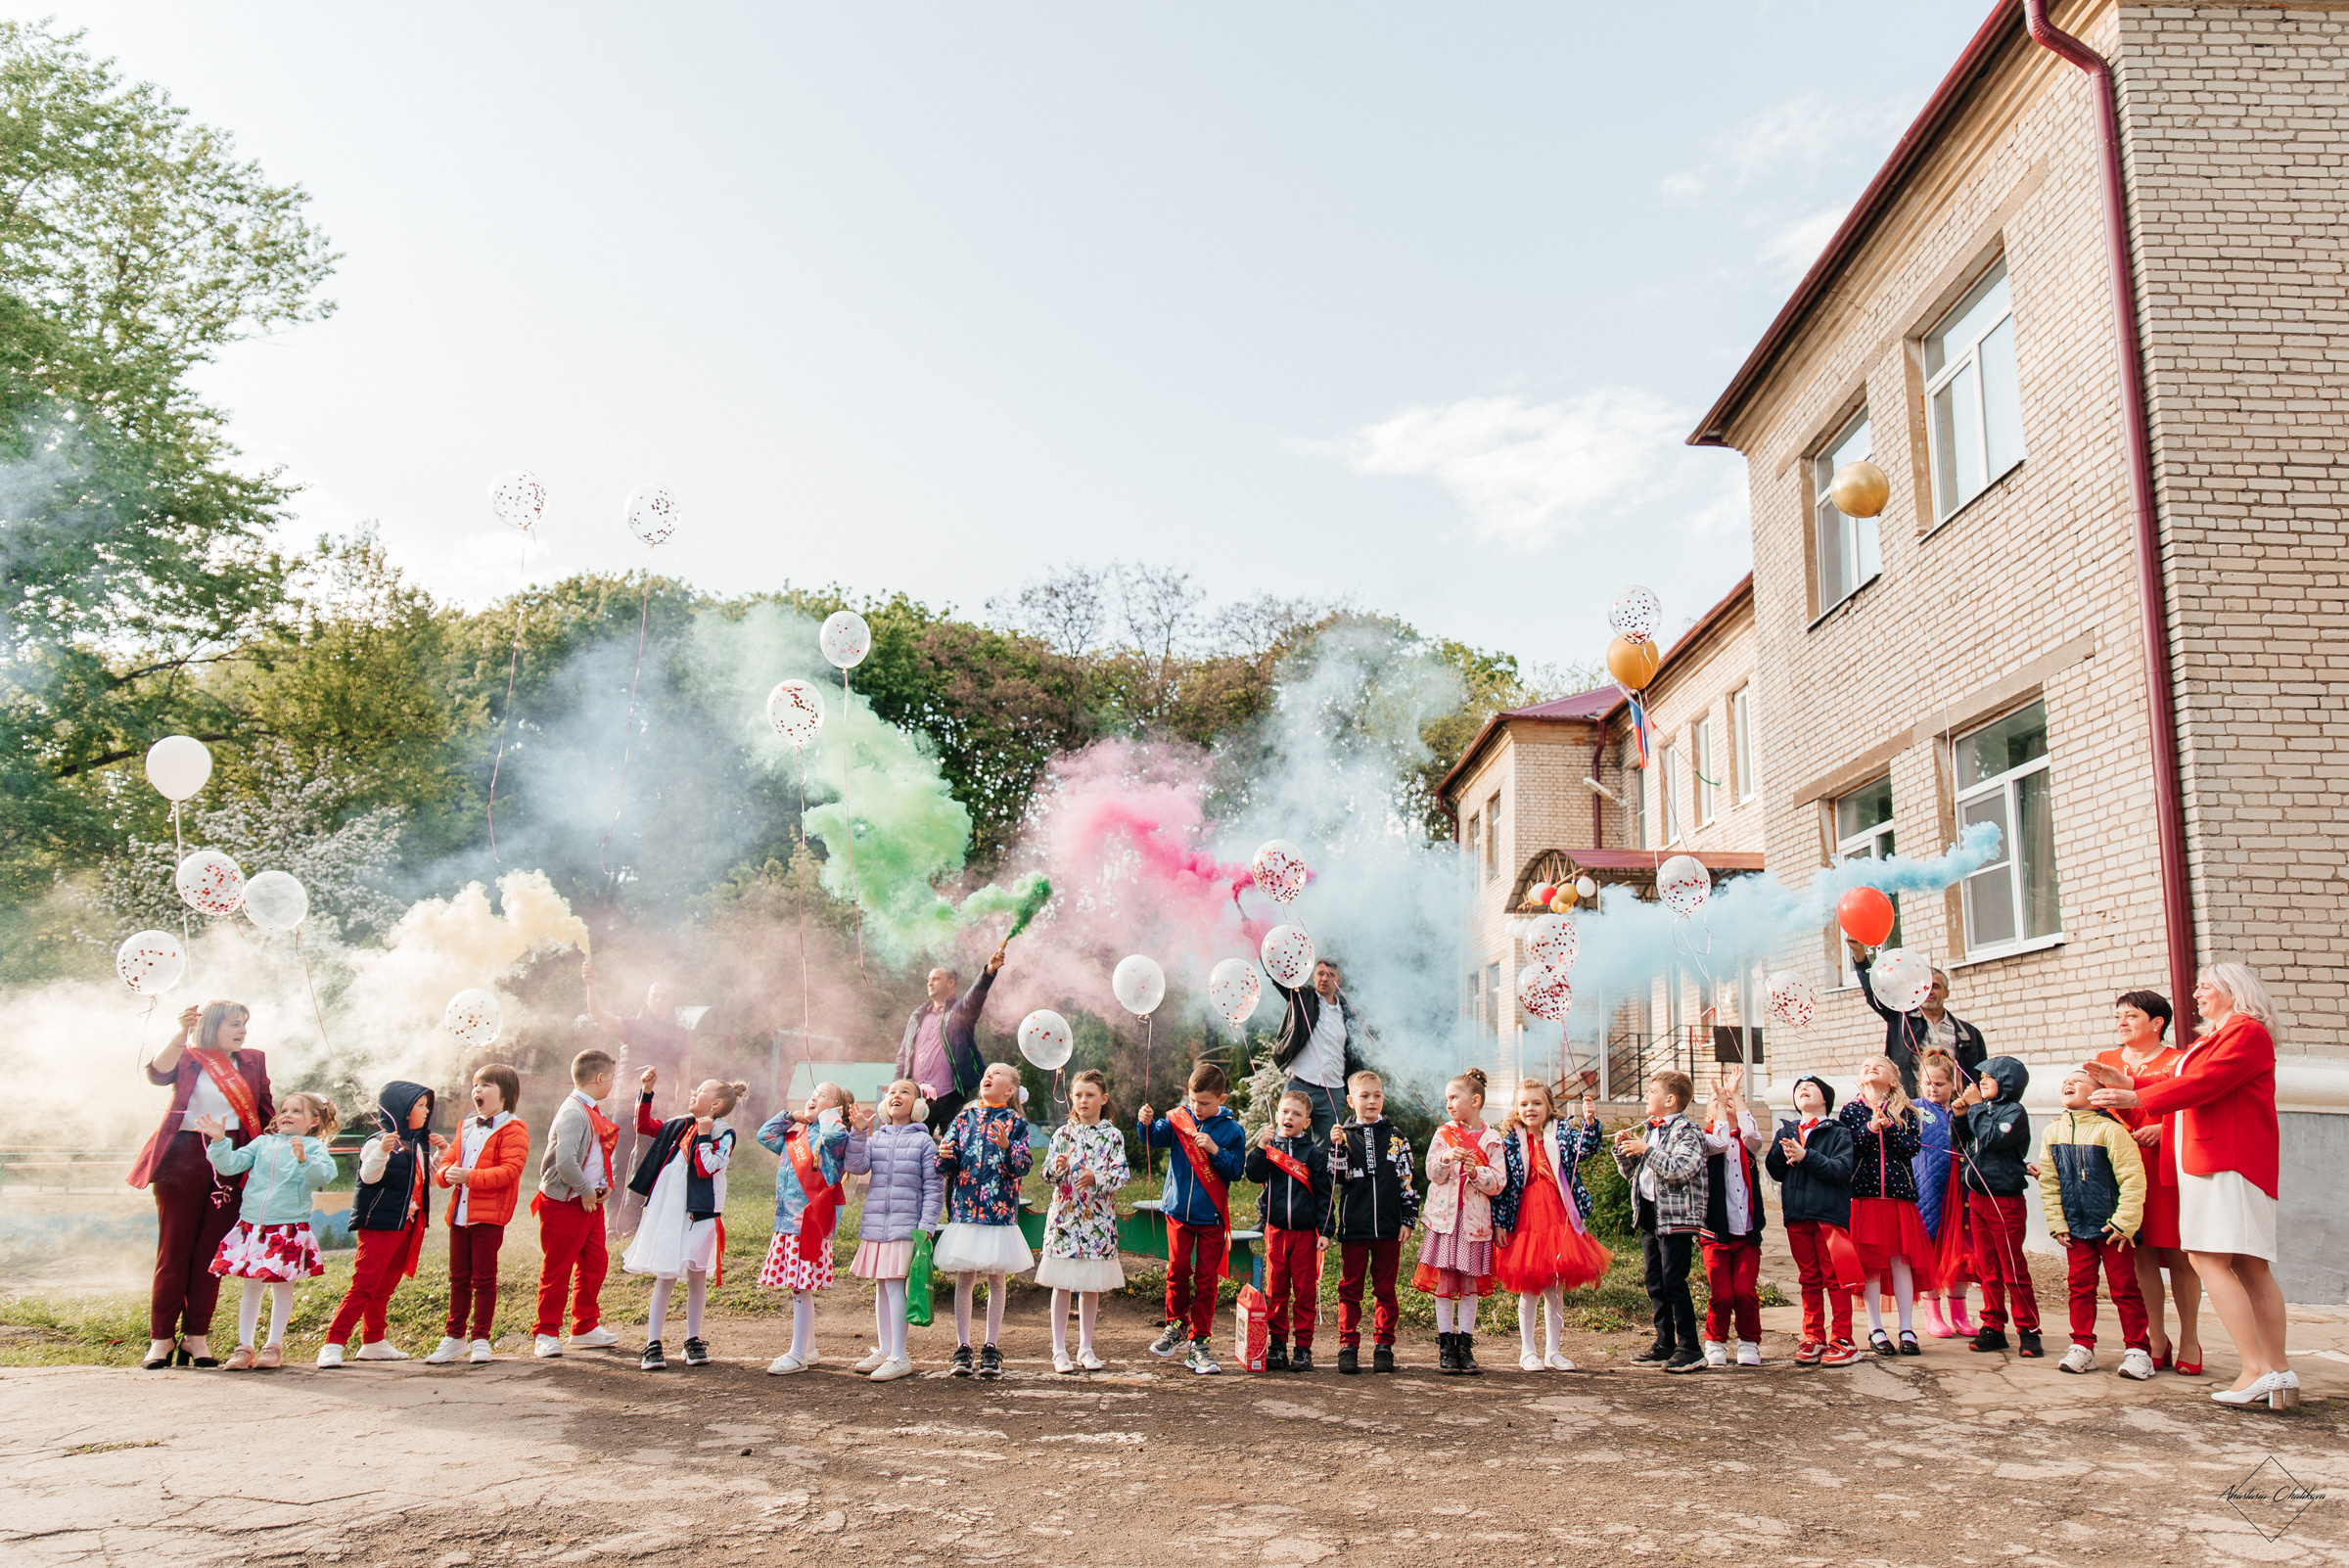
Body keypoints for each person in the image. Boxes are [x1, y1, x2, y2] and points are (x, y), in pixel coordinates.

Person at [2089, 962, 2296, 1410]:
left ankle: (2257, 1370)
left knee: (2208, 1259)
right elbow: (2182, 1079)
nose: (2197, 995)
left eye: (2206, 987)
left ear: (2233, 991)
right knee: (2248, 1265)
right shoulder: (2222, 1035)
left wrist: (2135, 1096)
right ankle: (2277, 1371)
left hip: (2225, 1162)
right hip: (2224, 1161)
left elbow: (2205, 1083)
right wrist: (2133, 1083)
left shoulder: (2244, 1030)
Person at [132, 999, 275, 1369]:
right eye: (234, 1024)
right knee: (174, 1249)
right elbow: (157, 1074)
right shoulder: (189, 1055)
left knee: (210, 1255)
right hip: (182, 1156)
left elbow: (264, 1112)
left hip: (229, 1159)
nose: (242, 1030)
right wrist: (181, 1032)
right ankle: (161, 1338)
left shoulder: (253, 1060)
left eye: (245, 1023)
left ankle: (197, 1337)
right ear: (212, 1026)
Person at [2093, 990, 2201, 1374]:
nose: (2121, 1023)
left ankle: (2190, 1339)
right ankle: (2156, 1336)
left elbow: (2194, 1106)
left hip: (2164, 1167)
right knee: (2138, 1252)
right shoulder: (2104, 1062)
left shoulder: (2178, 1061)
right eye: (2118, 1016)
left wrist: (2163, 1127)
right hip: (2120, 1170)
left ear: (2157, 1023)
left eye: (2131, 1016)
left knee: (2178, 1254)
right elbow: (2090, 1111)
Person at [199, 1091, 338, 1370]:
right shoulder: (262, 1143)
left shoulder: (313, 1147)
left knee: (282, 1287)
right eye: (284, 1110)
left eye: (297, 1111)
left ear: (313, 1122)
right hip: (253, 1226)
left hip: (287, 1227)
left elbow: (322, 1177)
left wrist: (303, 1159)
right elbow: (231, 1165)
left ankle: (273, 1347)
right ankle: (244, 1347)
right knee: (251, 1286)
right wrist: (218, 1141)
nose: (287, 1115)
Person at [621, 1069, 745, 1372]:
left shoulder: (722, 1134)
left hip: (699, 1211)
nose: (693, 1092)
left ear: (715, 1104)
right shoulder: (679, 1125)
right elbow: (644, 1125)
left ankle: (693, 1339)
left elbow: (706, 1168)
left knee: (697, 1274)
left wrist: (703, 1135)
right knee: (665, 1273)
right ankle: (653, 1344)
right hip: (668, 1209)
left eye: (701, 1090)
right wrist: (646, 1092)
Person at [2039, 1067, 2154, 1379]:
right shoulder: (2052, 1132)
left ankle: (2138, 1351)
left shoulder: (2111, 1131)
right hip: (2075, 1228)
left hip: (2112, 1230)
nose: (2068, 1083)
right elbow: (2049, 1181)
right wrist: (2057, 1222)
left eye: (2077, 1081)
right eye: (2065, 1080)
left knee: (2125, 1289)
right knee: (2079, 1289)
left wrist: (2124, 1221)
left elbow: (2132, 1178)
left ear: (2098, 1094)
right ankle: (2081, 1346)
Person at [320, 1082, 444, 1367]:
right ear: (401, 1109)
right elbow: (369, 1176)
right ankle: (333, 1343)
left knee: (385, 1285)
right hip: (381, 1224)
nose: (427, 1112)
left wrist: (441, 1152)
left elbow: (425, 1181)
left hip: (408, 1225)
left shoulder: (417, 1143)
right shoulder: (377, 1141)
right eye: (420, 1106)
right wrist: (382, 1152)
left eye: (427, 1105)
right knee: (364, 1284)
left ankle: (373, 1340)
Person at [1493, 1078, 1613, 1373]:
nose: (1530, 1108)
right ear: (1516, 1107)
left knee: (1555, 1287)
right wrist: (1500, 1223)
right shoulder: (1509, 1139)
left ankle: (1553, 1351)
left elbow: (1587, 1147)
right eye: (1524, 1104)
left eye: (1536, 1103)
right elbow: (1503, 1184)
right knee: (1530, 1287)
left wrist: (1591, 1121)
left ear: (1549, 1106)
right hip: (1526, 1219)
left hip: (1559, 1216)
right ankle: (1527, 1350)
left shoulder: (1561, 1133)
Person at [1138, 1060, 1246, 1375]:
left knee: (1207, 1280)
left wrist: (1215, 1150)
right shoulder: (1179, 1119)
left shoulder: (1232, 1130)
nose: (1197, 1108)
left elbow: (1236, 1171)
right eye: (1193, 1100)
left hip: (1211, 1217)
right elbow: (1152, 1138)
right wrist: (1144, 1123)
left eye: (1205, 1103)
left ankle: (1199, 1343)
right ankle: (1176, 1327)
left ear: (1221, 1099)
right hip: (1177, 1214)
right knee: (1177, 1270)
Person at [935, 1061, 1036, 1380]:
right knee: (965, 1276)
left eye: (997, 1074)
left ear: (1009, 1091)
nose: (988, 1076)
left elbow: (1022, 1165)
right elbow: (943, 1164)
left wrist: (1007, 1146)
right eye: (986, 1073)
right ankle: (962, 1347)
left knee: (996, 1278)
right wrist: (944, 1154)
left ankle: (991, 1346)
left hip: (999, 1214)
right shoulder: (964, 1118)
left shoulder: (1017, 1123)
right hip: (965, 1210)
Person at [427, 1063, 529, 1365]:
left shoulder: (513, 1128)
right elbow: (448, 1162)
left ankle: (481, 1339)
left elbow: (510, 1171)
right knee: (458, 1277)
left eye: (486, 1085)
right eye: (476, 1085)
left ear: (505, 1094)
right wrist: (445, 1174)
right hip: (460, 1217)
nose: (477, 1091)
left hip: (488, 1217)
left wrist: (469, 1176)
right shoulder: (467, 1125)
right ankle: (454, 1336)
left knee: (484, 1279)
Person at [757, 1081, 861, 1375]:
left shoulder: (836, 1134)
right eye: (813, 1096)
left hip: (811, 1222)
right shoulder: (796, 1134)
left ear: (838, 1109)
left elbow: (833, 1135)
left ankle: (798, 1353)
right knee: (797, 1287)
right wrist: (790, 1116)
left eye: (823, 1096)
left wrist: (830, 1116)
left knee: (800, 1287)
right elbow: (764, 1135)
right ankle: (809, 1349)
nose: (813, 1099)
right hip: (786, 1222)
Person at [846, 1079, 945, 1382]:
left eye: (905, 1092)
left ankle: (899, 1356)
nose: (896, 1096)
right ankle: (886, 1349)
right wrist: (859, 1132)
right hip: (877, 1224)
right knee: (881, 1286)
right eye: (892, 1092)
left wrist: (926, 1226)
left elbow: (933, 1187)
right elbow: (857, 1166)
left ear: (918, 1105)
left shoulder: (924, 1142)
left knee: (893, 1286)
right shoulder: (876, 1138)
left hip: (906, 1226)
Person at [581, 958, 689, 1234]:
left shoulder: (681, 1036)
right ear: (648, 999)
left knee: (648, 1162)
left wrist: (680, 1114)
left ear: (672, 1001)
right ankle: (613, 1223)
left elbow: (684, 1077)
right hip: (626, 1103)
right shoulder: (631, 1025)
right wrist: (591, 985)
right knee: (618, 1162)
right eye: (655, 995)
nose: (660, 1000)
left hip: (659, 1107)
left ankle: (632, 1222)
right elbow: (600, 1017)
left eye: (665, 996)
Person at [1839, 1053, 1936, 1356]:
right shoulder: (1851, 1111)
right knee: (1869, 1265)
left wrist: (1889, 1126)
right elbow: (1849, 1147)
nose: (1870, 1067)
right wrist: (1870, 1128)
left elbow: (1911, 1148)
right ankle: (1875, 1327)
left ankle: (1907, 1328)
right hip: (1864, 1197)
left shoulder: (1905, 1111)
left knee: (1901, 1261)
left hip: (1898, 1199)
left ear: (1893, 1080)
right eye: (1865, 1064)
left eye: (1878, 1065)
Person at [1324, 1070, 1418, 1375]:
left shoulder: (1396, 1137)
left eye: (1377, 1095)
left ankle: (1384, 1345)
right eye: (1364, 1096)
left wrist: (1408, 1218)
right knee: (1350, 1288)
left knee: (1385, 1289)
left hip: (1389, 1227)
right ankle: (1348, 1345)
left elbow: (1407, 1179)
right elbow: (1337, 1178)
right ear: (1351, 1101)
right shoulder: (1345, 1136)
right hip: (1355, 1227)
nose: (1371, 1101)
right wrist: (1335, 1148)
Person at [1614, 1069, 1708, 1373]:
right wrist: (1624, 1150)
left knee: (1673, 1282)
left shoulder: (1688, 1132)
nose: (1645, 1097)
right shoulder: (1650, 1130)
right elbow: (1635, 1174)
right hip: (1651, 1216)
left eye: (1651, 1092)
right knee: (1654, 1281)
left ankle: (1690, 1348)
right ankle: (1664, 1342)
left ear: (1669, 1100)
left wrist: (1647, 1150)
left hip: (1676, 1219)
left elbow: (1680, 1169)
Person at [1037, 1069, 1131, 1374]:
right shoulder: (1062, 1134)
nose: (1083, 1100)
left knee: (1090, 1286)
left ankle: (1086, 1347)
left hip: (1097, 1222)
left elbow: (1122, 1174)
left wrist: (1097, 1177)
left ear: (1103, 1099)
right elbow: (1046, 1174)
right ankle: (1059, 1349)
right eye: (1078, 1095)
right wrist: (1058, 1167)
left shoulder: (1112, 1135)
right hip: (1065, 1222)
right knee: (1062, 1284)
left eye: (1090, 1095)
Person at [532, 1049, 623, 1359]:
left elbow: (595, 1154)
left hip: (589, 1202)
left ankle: (584, 1326)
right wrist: (586, 1191)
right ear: (599, 1078)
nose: (612, 1083)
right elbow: (565, 1162)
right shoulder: (573, 1111)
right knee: (557, 1269)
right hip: (565, 1203)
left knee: (594, 1263)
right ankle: (545, 1332)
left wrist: (602, 1187)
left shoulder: (591, 1108)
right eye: (611, 1078)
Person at [1766, 1075, 1862, 1367]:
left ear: (1826, 1099)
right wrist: (1783, 1156)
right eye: (1798, 1089)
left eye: (1811, 1087)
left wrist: (1806, 1156)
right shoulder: (1787, 1130)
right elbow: (1775, 1170)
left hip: (1828, 1215)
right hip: (1797, 1215)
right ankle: (1813, 1336)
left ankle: (1843, 1338)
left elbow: (1841, 1170)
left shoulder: (1838, 1132)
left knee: (1836, 1278)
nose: (1803, 1090)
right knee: (1808, 1278)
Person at [1415, 1068, 1506, 1375]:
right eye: (1446, 1099)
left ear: (1476, 1100)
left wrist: (1475, 1173)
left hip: (1474, 1226)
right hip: (1445, 1224)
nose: (1449, 1104)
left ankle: (1465, 1346)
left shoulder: (1492, 1139)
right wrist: (1443, 1159)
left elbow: (1498, 1182)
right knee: (1444, 1284)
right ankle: (1445, 1345)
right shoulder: (1444, 1134)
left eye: (1454, 1097)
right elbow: (1431, 1173)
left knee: (1468, 1286)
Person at [1957, 1056, 2041, 1358]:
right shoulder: (1984, 1110)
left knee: (2012, 1268)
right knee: (1987, 1269)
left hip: (2003, 1199)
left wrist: (1976, 1107)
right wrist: (1959, 1115)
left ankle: (2028, 1329)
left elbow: (1990, 1137)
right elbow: (1965, 1139)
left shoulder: (2014, 1112)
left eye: (1988, 1078)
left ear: (2006, 1083)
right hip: (1978, 1197)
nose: (1980, 1082)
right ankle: (1992, 1325)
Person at [1244, 1088, 1331, 1373]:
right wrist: (1260, 1147)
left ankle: (1303, 1348)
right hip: (1276, 1231)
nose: (1289, 1117)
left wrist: (1326, 1231)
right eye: (1284, 1112)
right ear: (1278, 1114)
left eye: (1296, 1114)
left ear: (1307, 1121)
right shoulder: (1271, 1150)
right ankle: (1278, 1345)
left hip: (1306, 1234)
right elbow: (1253, 1174)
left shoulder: (1314, 1154)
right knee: (1276, 1289)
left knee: (1305, 1291)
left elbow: (1324, 1195)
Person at [1848, 939, 1987, 1096]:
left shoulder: (1968, 1034)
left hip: (1954, 1111)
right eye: (1925, 986)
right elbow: (1874, 991)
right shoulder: (1900, 1019)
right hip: (1911, 1108)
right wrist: (1859, 954)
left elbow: (1980, 1077)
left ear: (1946, 992)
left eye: (1935, 986)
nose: (1929, 991)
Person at [1696, 1065, 1768, 1369]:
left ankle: (1749, 1342)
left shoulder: (1746, 1143)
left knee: (1745, 1292)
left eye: (1729, 1104)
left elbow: (1753, 1134)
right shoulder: (1707, 1141)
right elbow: (1721, 1138)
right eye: (1716, 1103)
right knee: (1722, 1293)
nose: (1723, 1103)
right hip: (1715, 1235)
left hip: (1747, 1234)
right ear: (1708, 1118)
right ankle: (1715, 1341)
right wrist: (1722, 1108)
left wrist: (1735, 1094)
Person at [895, 945, 1006, 1133]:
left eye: (936, 979)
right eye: (929, 980)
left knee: (956, 1150)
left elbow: (975, 996)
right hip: (918, 1099)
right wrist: (896, 1090)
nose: (930, 983)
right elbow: (903, 1058)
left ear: (950, 983)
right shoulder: (916, 1017)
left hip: (953, 1097)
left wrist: (988, 972)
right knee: (912, 1149)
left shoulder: (959, 1012)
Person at [1267, 956, 1368, 1143]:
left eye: (1330, 975)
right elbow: (1278, 977)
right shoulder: (1303, 997)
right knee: (1283, 1141)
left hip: (1334, 1090)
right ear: (1313, 976)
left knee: (1328, 1151)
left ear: (1338, 980)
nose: (1324, 978)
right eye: (1320, 973)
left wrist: (1358, 1088)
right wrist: (1258, 943)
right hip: (1299, 1084)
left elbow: (1355, 1054)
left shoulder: (1349, 1013)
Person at [1911, 1053, 1976, 1339]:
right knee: (1934, 1248)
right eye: (1927, 1083)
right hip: (1929, 1184)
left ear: (1953, 1083)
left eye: (1939, 1083)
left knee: (1960, 1250)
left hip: (1959, 1185)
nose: (1932, 1089)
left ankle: (1960, 1314)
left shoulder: (1963, 1110)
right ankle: (1933, 1313)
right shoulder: (1916, 1109)